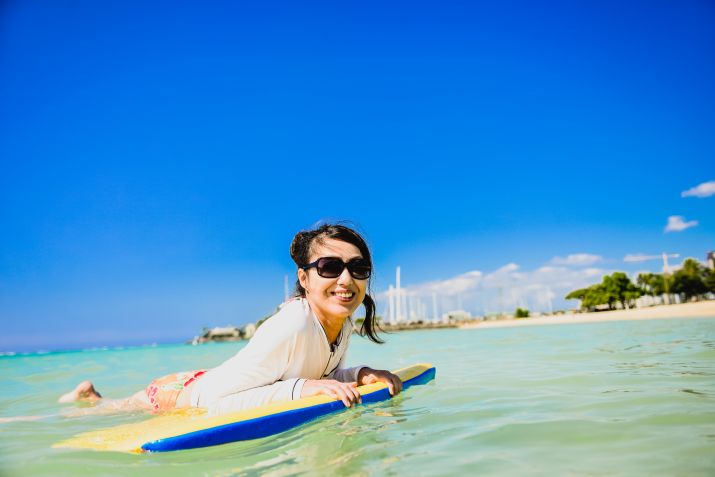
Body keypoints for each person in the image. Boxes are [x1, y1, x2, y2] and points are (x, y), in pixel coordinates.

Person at [59, 223, 402, 416]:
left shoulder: (340, 323)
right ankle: (84, 398)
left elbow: (316, 373)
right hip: (177, 398)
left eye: (358, 268)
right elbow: (218, 405)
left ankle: (90, 394)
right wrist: (302, 390)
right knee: (104, 413)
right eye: (330, 267)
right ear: (304, 277)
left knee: (109, 406)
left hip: (202, 380)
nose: (346, 280)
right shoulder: (292, 324)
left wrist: (359, 374)